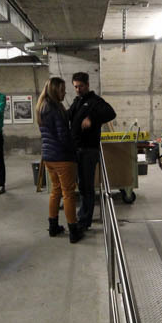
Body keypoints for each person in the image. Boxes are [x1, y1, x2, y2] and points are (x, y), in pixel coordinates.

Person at [36, 77, 83, 243]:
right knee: (68, 193)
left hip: (48, 156)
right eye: (62, 90)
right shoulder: (55, 109)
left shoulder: (42, 106)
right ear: (55, 90)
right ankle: (73, 231)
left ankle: (53, 226)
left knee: (56, 190)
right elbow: (63, 136)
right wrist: (74, 150)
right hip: (62, 157)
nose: (65, 93)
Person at [69, 72, 116, 230]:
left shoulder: (95, 101)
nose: (78, 89)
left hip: (89, 150)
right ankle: (82, 215)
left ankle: (84, 221)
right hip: (76, 149)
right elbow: (69, 116)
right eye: (75, 86)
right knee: (81, 186)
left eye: (80, 86)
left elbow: (111, 113)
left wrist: (92, 119)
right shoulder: (77, 101)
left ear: (87, 85)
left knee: (87, 187)